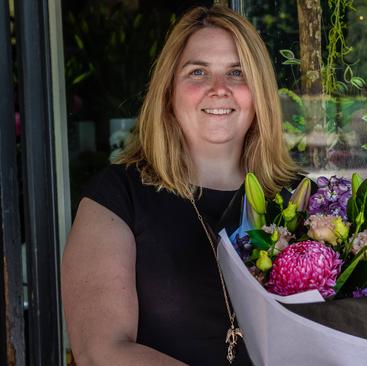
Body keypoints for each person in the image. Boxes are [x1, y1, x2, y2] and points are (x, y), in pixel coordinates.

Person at [61, 5, 301, 365]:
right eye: (198, 71)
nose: (219, 89)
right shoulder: (118, 196)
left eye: (237, 72)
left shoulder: (304, 200)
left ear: (260, 93)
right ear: (169, 90)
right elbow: (101, 352)